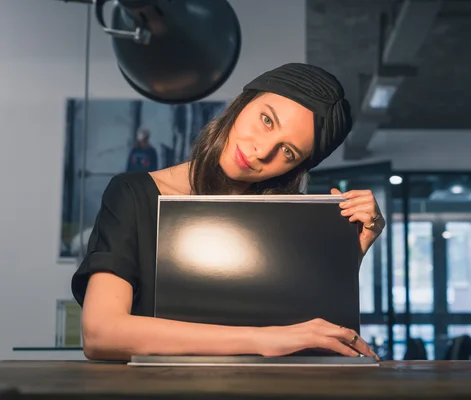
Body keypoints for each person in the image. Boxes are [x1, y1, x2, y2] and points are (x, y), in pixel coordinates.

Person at [71, 63, 386, 361]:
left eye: (288, 151)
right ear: (242, 101)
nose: (261, 151)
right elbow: (101, 334)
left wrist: (351, 250)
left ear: (296, 168)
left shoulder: (291, 223)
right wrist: (263, 340)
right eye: (267, 120)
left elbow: (313, 338)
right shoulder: (133, 195)